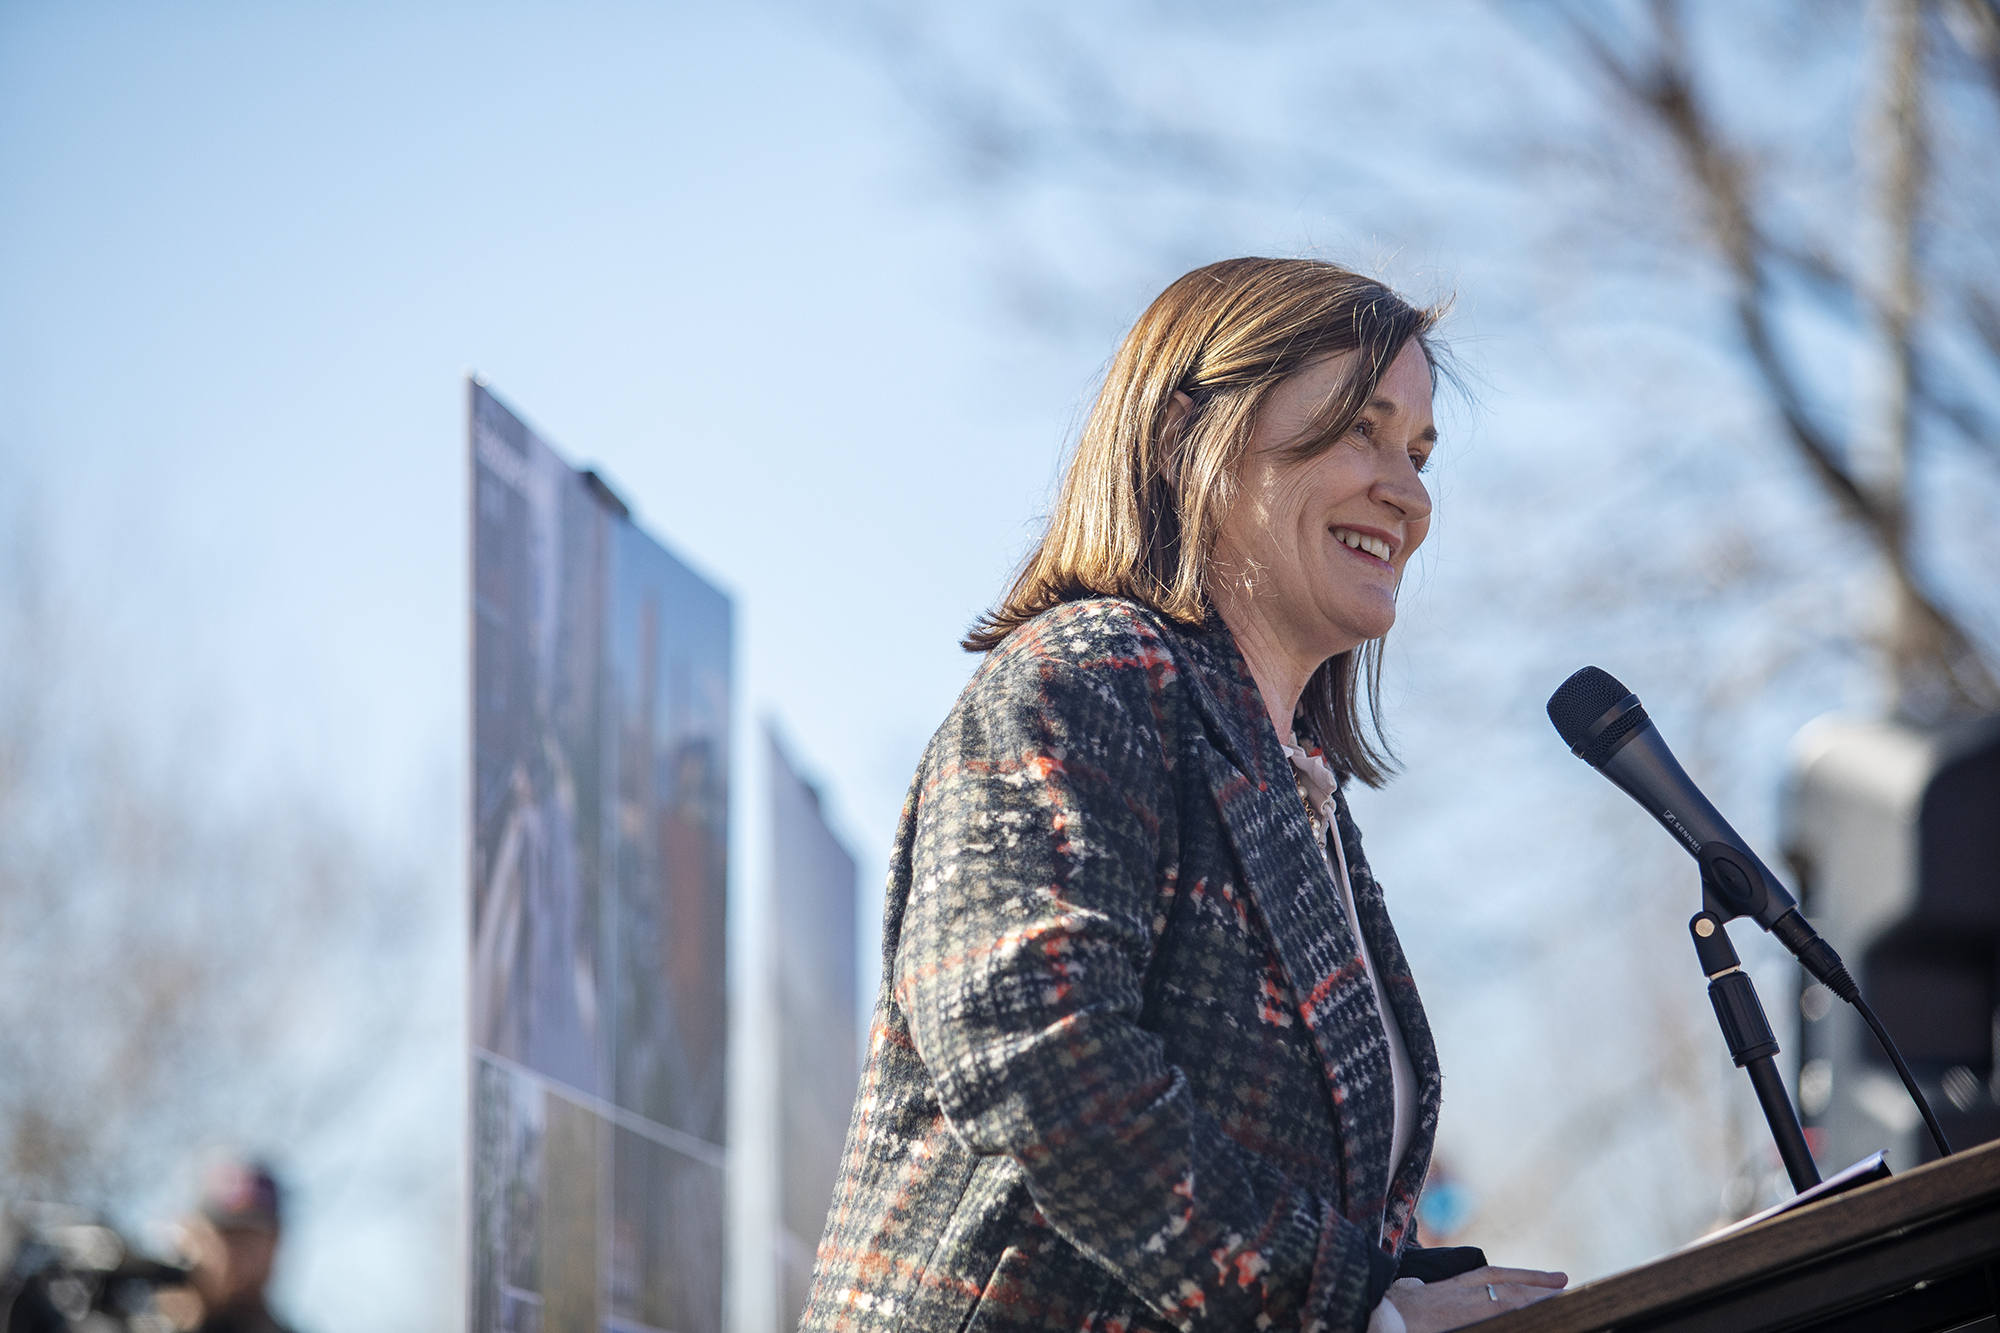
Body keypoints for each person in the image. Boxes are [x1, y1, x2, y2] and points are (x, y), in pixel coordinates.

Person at [801, 258, 1568, 1333]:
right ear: (1183, 440)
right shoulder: (1083, 678)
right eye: (1361, 428)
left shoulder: (1298, 794)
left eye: (1419, 452)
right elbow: (1030, 1042)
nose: (1407, 492)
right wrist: (1351, 1310)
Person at [154, 1161, 297, 1333]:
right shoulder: (133, 1312)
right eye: (226, 1236)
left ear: (275, 1245)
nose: (239, 1256)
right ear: (189, 1236)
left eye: (250, 1240)